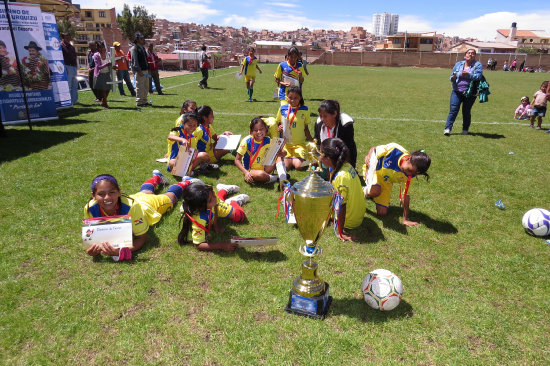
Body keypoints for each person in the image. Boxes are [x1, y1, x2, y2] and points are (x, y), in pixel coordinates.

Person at [84, 171, 189, 260]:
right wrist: (92, 249)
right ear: (93, 195)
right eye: (101, 194)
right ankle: (157, 177)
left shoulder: (132, 207)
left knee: (169, 198)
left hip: (147, 206)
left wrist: (121, 251)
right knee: (145, 192)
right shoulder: (90, 208)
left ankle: (187, 181)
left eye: (112, 192)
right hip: (134, 199)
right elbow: (91, 237)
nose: (107, 198)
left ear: (119, 192)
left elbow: (141, 238)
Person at [363, 143, 431, 227]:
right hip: (373, 172)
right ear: (408, 158)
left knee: (382, 213)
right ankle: (361, 191)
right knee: (376, 190)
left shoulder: (410, 175)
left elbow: (405, 196)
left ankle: (371, 192)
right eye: (409, 170)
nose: (407, 173)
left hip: (386, 182)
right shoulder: (394, 150)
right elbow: (374, 149)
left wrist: (405, 219)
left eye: (413, 173)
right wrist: (369, 156)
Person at [177, 180, 250, 252]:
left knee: (240, 216)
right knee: (218, 200)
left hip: (214, 206)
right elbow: (198, 245)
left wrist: (216, 226)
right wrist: (222, 245)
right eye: (210, 200)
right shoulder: (199, 220)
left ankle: (230, 199)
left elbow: (215, 205)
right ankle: (225, 196)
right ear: (201, 207)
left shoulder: (208, 191)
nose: (214, 199)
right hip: (207, 207)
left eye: (213, 194)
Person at [319, 138, 365, 242]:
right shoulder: (345, 165)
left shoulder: (341, 176)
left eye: (321, 153)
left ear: (329, 158)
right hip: (357, 215)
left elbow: (342, 206)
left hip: (350, 220)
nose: (319, 156)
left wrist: (340, 232)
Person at [443, 48, 483, 136]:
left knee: (466, 111)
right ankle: (447, 129)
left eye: (473, 53)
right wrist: (453, 78)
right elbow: (452, 76)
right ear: (465, 55)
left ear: (475, 56)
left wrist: (468, 75)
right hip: (456, 91)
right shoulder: (459, 64)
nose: (471, 54)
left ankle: (465, 129)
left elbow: (478, 76)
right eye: (469, 53)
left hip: (470, 93)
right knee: (453, 110)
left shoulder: (477, 65)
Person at [234, 117, 285, 184]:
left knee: (279, 156)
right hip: (251, 171)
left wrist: (282, 153)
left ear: (266, 129)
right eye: (255, 130)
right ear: (251, 131)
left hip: (266, 168)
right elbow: (237, 160)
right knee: (261, 175)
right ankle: (275, 178)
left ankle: (283, 179)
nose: (259, 132)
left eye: (261, 129)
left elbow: (283, 152)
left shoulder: (268, 140)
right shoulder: (246, 141)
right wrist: (246, 172)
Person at [314, 99, 357, 169]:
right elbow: (317, 143)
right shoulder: (319, 124)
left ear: (334, 114)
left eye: (325, 116)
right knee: (315, 171)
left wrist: (333, 164)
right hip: (325, 158)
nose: (322, 119)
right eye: (320, 116)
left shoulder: (345, 125)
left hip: (342, 158)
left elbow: (347, 148)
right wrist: (318, 158)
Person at [195, 105, 233, 170]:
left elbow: (216, 138)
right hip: (206, 155)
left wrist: (224, 134)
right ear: (205, 118)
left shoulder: (208, 126)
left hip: (210, 148)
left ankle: (243, 156)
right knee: (230, 146)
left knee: (230, 139)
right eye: (211, 115)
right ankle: (203, 163)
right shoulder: (199, 130)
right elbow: (191, 144)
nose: (213, 117)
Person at [130, 32, 150, 107]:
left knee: (145, 86)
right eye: (141, 38)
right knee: (140, 87)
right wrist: (138, 71)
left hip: (145, 69)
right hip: (140, 70)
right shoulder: (134, 48)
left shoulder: (142, 48)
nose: (143, 40)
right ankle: (139, 102)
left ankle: (144, 101)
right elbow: (135, 61)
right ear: (137, 39)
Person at [93, 42, 112, 109]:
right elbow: (98, 66)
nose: (101, 49)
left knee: (108, 88)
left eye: (102, 47)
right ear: (98, 48)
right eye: (100, 47)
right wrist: (106, 64)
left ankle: (103, 101)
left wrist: (115, 66)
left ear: (104, 47)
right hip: (100, 74)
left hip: (107, 73)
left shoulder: (109, 54)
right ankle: (105, 103)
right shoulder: (96, 55)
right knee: (103, 89)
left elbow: (113, 62)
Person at [60, 33, 78, 104]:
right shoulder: (61, 46)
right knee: (69, 85)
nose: (68, 39)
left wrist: (76, 66)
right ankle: (69, 100)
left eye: (69, 37)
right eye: (66, 37)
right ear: (63, 38)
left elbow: (75, 57)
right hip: (67, 66)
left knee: (74, 84)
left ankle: (75, 100)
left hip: (73, 67)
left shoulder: (71, 47)